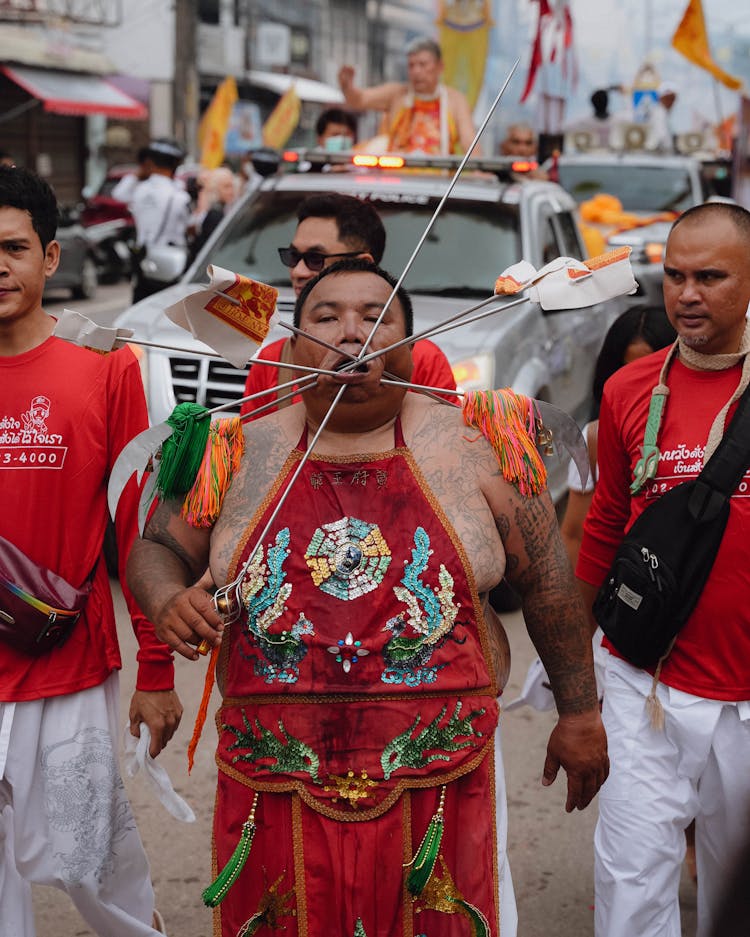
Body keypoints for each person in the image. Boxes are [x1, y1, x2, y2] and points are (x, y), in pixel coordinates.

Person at [128, 258, 608, 936]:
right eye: (326, 317)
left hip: (443, 774)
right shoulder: (235, 450)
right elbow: (156, 547)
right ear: (291, 343)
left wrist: (580, 712)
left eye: (378, 318)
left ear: (413, 347)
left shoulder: (475, 446)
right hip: (274, 775)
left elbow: (549, 584)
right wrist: (167, 597)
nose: (353, 334)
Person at [0, 166, 181, 935]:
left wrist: (158, 667)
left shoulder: (107, 365)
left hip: (64, 659)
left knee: (86, 856)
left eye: (12, 247)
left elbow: (135, 525)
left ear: (51, 256)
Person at [576, 201, 750, 937]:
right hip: (642, 679)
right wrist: (574, 689)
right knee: (632, 882)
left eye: (709, 277)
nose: (685, 294)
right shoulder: (627, 390)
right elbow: (602, 529)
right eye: (675, 275)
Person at [240, 193, 456, 419]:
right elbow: (248, 448)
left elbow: (449, 443)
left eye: (315, 258)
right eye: (293, 256)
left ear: (361, 264)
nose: (298, 272)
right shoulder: (273, 361)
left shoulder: (422, 360)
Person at [560, 305, 677, 569]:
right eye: (626, 373)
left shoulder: (704, 434)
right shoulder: (594, 440)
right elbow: (575, 535)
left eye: (651, 374)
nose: (638, 388)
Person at [338, 37, 477, 156]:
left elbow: (469, 142)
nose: (416, 71)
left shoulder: (456, 100)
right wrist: (347, 87)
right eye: (411, 65)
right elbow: (359, 100)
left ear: (440, 67)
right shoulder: (396, 94)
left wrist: (480, 171)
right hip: (398, 181)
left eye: (423, 64)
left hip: (438, 182)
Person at [127, 139, 191, 302]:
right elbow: (189, 226)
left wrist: (139, 172)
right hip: (170, 261)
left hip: (143, 259)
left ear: (150, 162)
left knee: (141, 309)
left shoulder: (139, 190)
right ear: (176, 164)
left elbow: (118, 194)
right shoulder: (179, 196)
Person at [185, 166, 239, 268]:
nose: (231, 191)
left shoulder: (219, 210)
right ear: (215, 188)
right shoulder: (215, 215)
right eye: (226, 187)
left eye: (232, 186)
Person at [645, 81, 677, 153]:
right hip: (658, 156)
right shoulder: (658, 113)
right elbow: (662, 138)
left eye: (672, 99)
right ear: (661, 98)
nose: (671, 102)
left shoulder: (663, 113)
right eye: (668, 98)